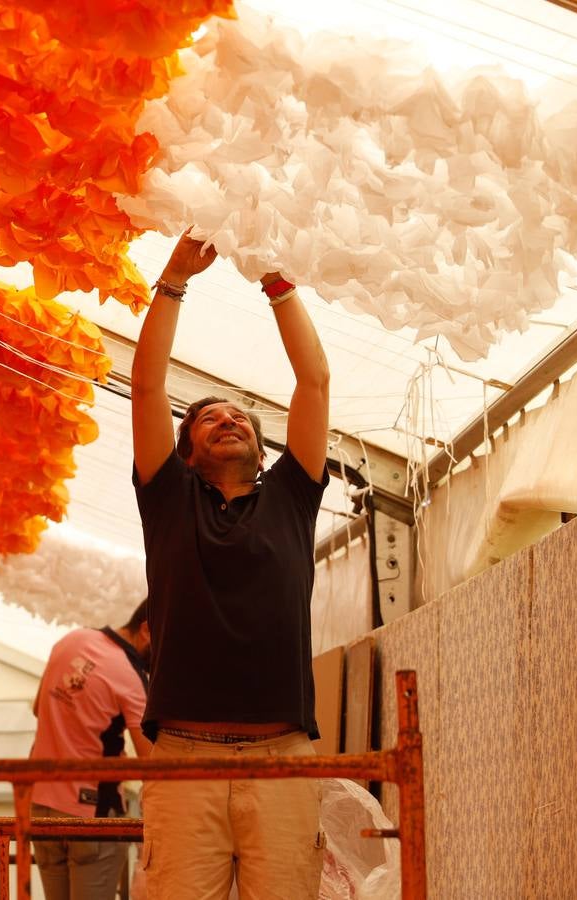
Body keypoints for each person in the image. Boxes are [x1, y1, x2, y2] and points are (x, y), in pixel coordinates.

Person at [129, 233, 331, 900]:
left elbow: (315, 380)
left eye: (241, 416)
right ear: (187, 452)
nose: (229, 419)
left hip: (283, 755)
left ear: (262, 446)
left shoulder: (293, 496)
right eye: (209, 418)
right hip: (183, 759)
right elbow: (148, 384)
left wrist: (278, 284)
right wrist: (173, 280)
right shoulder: (168, 499)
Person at [29, 600, 153, 900]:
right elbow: (152, 762)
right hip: (92, 813)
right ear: (147, 630)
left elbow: (38, 709)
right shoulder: (131, 677)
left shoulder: (72, 640)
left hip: (40, 804)